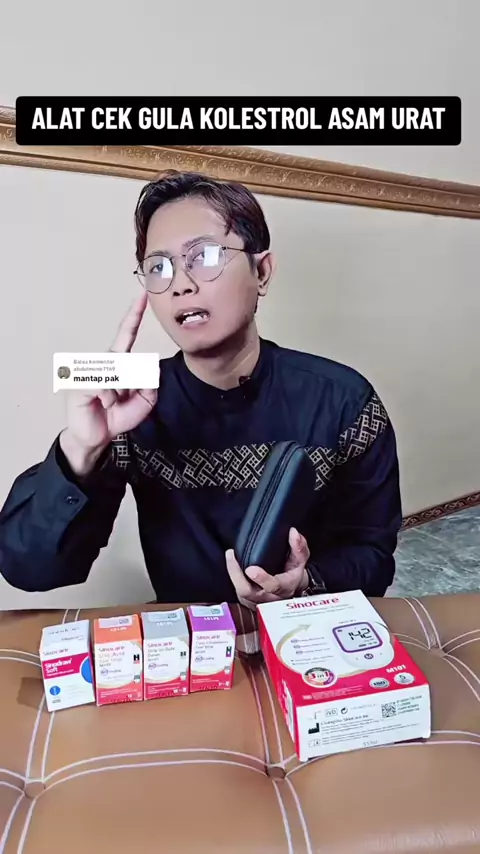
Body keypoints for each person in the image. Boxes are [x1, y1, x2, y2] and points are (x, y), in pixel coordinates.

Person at [0, 171, 402, 605]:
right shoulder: (133, 406)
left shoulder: (345, 401)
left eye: (205, 256)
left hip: (305, 625)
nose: (180, 284)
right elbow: (30, 569)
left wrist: (306, 581)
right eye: (159, 267)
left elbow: (373, 555)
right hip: (188, 634)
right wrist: (81, 449)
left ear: (262, 272)